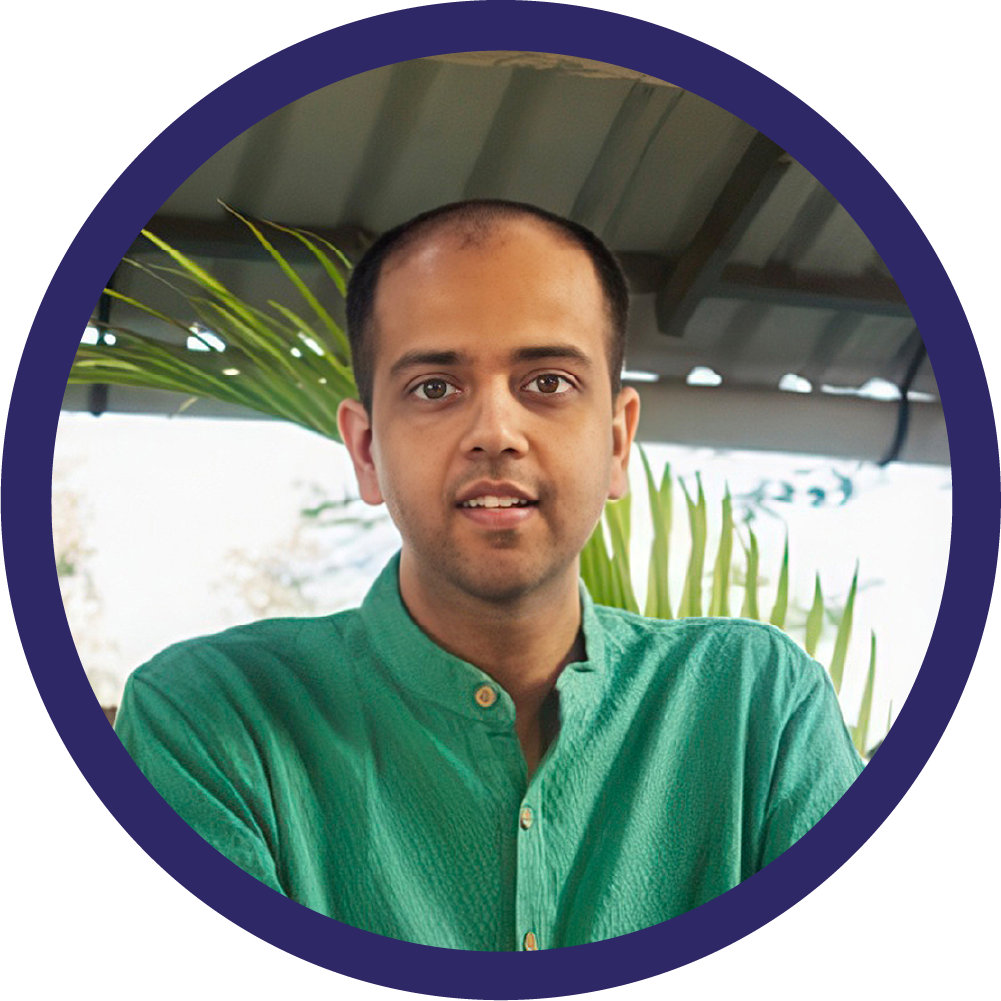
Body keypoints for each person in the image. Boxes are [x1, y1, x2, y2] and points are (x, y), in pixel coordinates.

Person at [114, 199, 864, 951]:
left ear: (616, 443)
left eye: (548, 382)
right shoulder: (208, 719)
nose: (496, 434)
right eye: (434, 387)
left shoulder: (756, 705)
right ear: (367, 451)